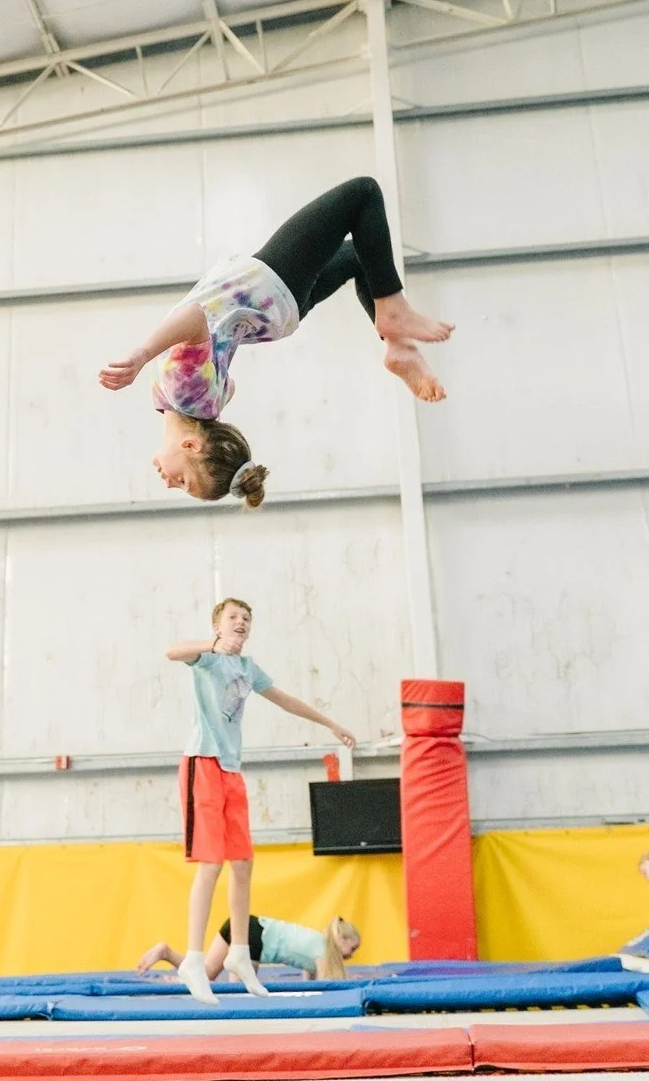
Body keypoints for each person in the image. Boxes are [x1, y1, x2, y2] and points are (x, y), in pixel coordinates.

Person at [99, 176, 453, 507]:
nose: (167, 482)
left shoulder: (201, 406)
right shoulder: (183, 389)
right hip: (264, 288)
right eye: (182, 482)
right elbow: (195, 317)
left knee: (362, 257)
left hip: (279, 314)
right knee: (362, 195)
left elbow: (229, 383)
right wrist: (142, 355)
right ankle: (392, 312)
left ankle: (397, 347)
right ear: (191, 445)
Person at [165, 596, 355, 1005]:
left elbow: (286, 700)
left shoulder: (247, 670)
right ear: (218, 625)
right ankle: (194, 960)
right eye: (233, 617)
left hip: (232, 771)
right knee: (211, 863)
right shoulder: (209, 660)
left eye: (247, 619)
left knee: (243, 862)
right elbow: (172, 652)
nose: (241, 622)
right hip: (204, 763)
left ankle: (239, 953)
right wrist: (210, 644)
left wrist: (331, 724)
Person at [138, 915, 361, 985]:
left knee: (206, 973)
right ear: (341, 938)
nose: (352, 954)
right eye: (353, 947)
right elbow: (325, 985)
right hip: (254, 935)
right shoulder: (322, 947)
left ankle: (166, 952)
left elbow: (310, 978)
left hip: (244, 923)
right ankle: (180, 982)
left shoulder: (315, 942)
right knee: (240, 993)